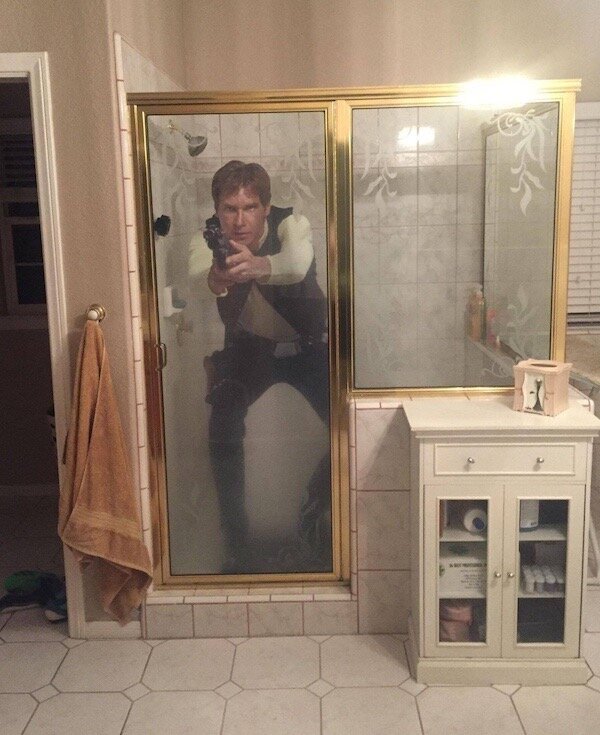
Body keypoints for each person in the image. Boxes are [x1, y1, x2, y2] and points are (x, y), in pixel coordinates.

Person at [188, 160, 331, 573]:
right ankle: (236, 542)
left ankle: (315, 507)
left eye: (249, 207)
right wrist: (217, 276)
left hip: (309, 349)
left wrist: (260, 266)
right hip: (250, 352)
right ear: (217, 210)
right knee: (222, 426)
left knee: (351, 425)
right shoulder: (207, 237)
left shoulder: (291, 224)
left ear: (266, 208)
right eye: (229, 209)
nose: (239, 220)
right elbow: (198, 277)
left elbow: (298, 263)